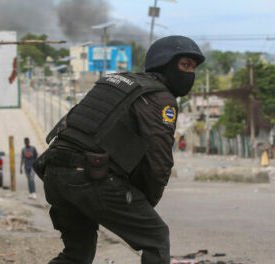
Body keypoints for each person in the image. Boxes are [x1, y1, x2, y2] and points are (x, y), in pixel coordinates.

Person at [33, 35, 204, 264]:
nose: (190, 74)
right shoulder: (160, 98)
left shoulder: (115, 82)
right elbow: (159, 160)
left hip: (54, 172)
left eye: (193, 68)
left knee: (77, 253)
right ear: (165, 63)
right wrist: (145, 204)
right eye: (185, 65)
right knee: (156, 237)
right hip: (88, 175)